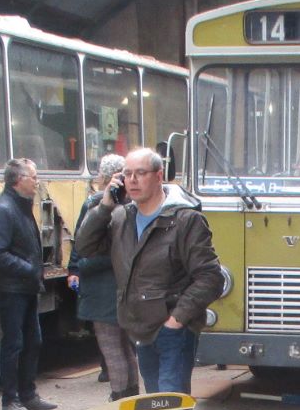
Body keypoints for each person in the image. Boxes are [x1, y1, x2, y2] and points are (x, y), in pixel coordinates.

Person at [73, 146, 223, 395]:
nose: (132, 180)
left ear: (158, 176)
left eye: (140, 173)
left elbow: (211, 277)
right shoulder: (121, 217)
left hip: (173, 330)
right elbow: (85, 247)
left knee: (169, 404)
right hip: (140, 327)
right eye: (127, 174)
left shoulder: (185, 220)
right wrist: (104, 207)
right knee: (155, 401)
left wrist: (176, 321)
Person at [0, 157, 57, 410]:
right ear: (18, 180)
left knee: (32, 341)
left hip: (26, 287)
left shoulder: (22, 206)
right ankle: (10, 399)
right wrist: (28, 268)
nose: (37, 182)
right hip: (12, 288)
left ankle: (28, 394)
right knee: (13, 343)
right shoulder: (4, 209)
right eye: (33, 177)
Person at [68, 153, 139, 400]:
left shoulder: (98, 204)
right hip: (123, 287)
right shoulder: (133, 205)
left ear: (105, 178)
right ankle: (131, 395)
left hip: (102, 288)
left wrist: (80, 267)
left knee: (111, 348)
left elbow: (82, 243)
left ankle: (119, 397)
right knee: (126, 348)